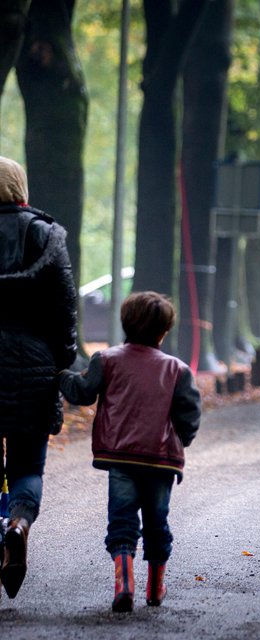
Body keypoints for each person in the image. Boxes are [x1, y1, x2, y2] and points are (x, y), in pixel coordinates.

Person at [59, 291, 201, 612]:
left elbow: (82, 392)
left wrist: (62, 376)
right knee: (156, 522)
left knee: (122, 521)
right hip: (162, 461)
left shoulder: (106, 360)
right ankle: (155, 586)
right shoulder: (177, 370)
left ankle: (124, 582)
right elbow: (189, 415)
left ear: (125, 323)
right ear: (164, 331)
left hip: (120, 458)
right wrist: (181, 440)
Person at [0, 155, 78, 601]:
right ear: (21, 189)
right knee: (28, 465)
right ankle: (18, 525)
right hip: (34, 365)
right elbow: (65, 309)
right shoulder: (46, 235)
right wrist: (61, 363)